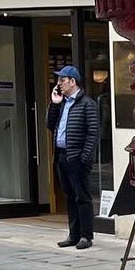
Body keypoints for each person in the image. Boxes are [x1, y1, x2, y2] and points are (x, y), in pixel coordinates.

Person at [48, 64, 99, 249]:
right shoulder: (61, 103)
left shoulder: (88, 104)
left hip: (77, 158)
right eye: (58, 80)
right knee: (69, 196)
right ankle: (73, 234)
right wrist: (54, 104)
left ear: (72, 81)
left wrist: (84, 157)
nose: (59, 83)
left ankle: (86, 236)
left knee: (82, 197)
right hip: (61, 156)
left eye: (62, 80)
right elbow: (50, 124)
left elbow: (93, 133)